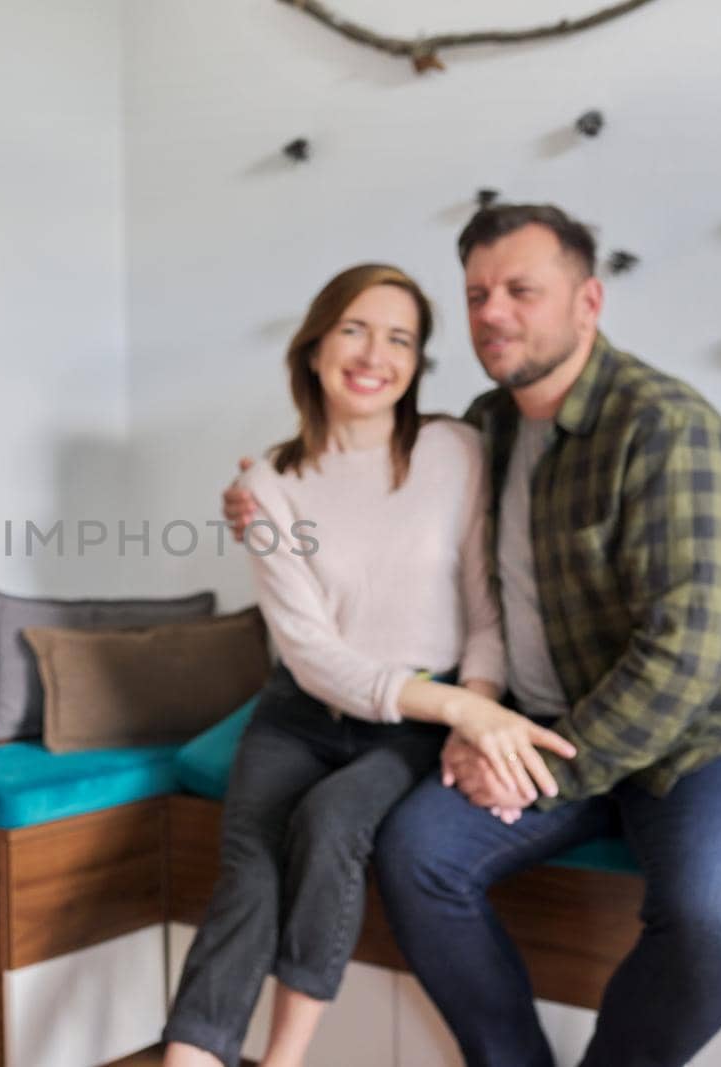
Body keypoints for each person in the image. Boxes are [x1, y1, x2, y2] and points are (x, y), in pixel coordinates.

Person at [227, 204, 721, 1067]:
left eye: (522, 290)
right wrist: (258, 496)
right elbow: (370, 490)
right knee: (416, 853)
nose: (493, 313)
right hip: (540, 723)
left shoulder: (665, 428)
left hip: (700, 738)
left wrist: (531, 754)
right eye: (476, 294)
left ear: (588, 302)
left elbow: (688, 651)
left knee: (714, 921)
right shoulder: (481, 429)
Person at [166, 264, 575, 1067]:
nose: (373, 354)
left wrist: (476, 701)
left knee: (330, 823)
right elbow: (313, 654)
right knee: (248, 871)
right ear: (315, 344)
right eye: (355, 328)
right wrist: (461, 710)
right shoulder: (268, 486)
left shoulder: (454, 450)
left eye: (400, 339)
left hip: (416, 723)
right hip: (304, 709)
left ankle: (282, 1060)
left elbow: (485, 609)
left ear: (418, 363)